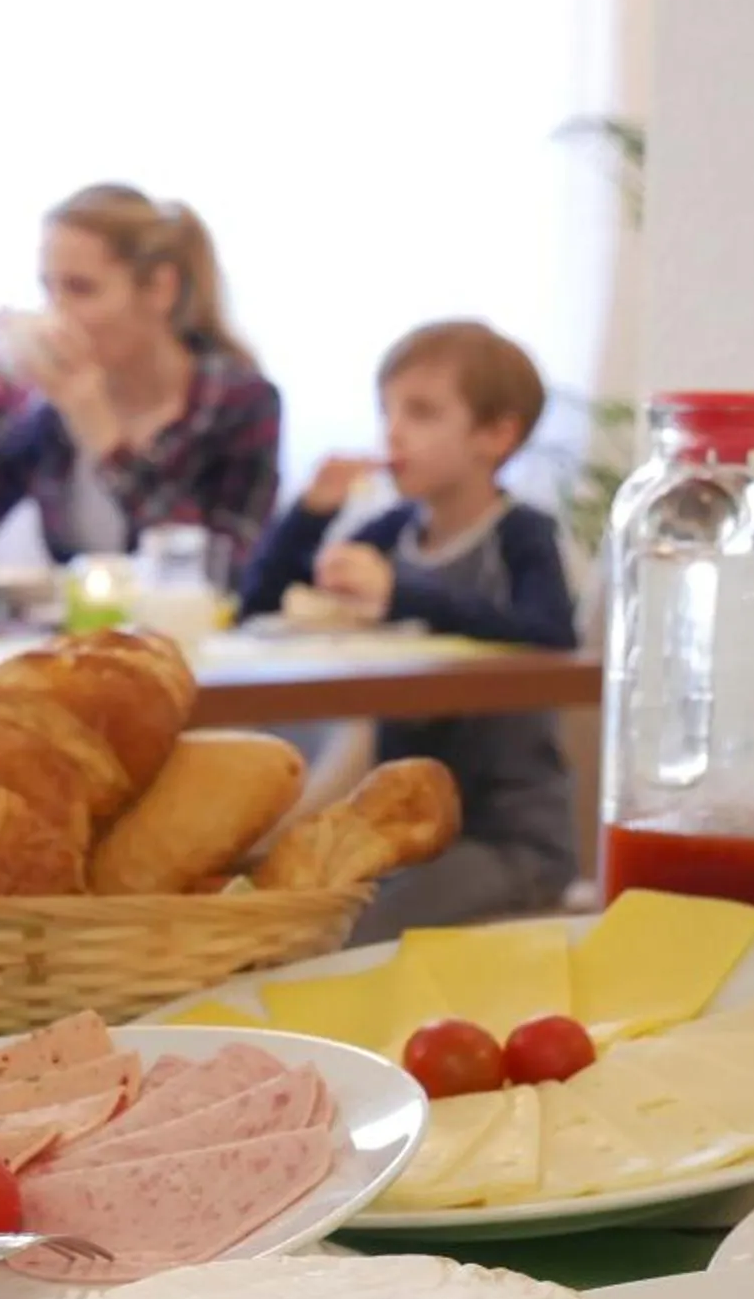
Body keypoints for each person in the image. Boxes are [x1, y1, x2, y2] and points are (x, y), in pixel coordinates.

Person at [238, 320, 578, 935]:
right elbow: (259, 604)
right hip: (402, 835)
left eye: (421, 412)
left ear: (496, 435)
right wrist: (311, 516)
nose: (392, 432)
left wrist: (403, 593)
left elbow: (550, 632)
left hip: (505, 839)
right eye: (387, 410)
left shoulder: (521, 536)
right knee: (286, 907)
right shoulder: (393, 531)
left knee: (343, 929)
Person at [0, 184, 283, 568]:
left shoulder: (239, 402)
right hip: (82, 629)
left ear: (159, 289)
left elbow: (224, 571)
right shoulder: (48, 411)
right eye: (49, 289)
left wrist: (108, 443)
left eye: (81, 289)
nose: (57, 315)